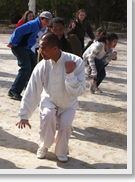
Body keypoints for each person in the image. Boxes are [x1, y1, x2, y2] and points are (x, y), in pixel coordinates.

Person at [16, 32, 86, 163]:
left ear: (55, 48)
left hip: (68, 103)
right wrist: (24, 115)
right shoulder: (42, 65)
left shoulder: (76, 62)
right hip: (49, 100)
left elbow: (80, 91)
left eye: (43, 48)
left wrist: (70, 74)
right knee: (48, 116)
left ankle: (61, 151)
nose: (40, 51)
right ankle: (43, 146)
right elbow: (32, 89)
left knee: (65, 125)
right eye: (40, 47)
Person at [7, 11, 53, 101]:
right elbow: (18, 31)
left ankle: (30, 90)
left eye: (49, 21)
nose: (47, 23)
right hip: (19, 47)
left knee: (34, 68)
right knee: (25, 68)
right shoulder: (32, 24)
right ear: (40, 18)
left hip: (28, 48)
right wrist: (12, 43)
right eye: (46, 21)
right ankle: (14, 91)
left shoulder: (43, 28)